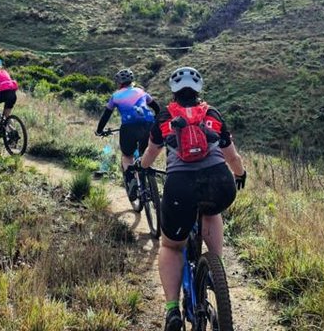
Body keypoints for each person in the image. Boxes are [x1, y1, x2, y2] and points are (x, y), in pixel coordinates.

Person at [138, 66, 246, 331]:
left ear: (174, 91)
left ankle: (172, 310)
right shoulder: (213, 114)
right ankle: (214, 269)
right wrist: (240, 174)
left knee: (172, 246)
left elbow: (150, 155)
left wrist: (141, 165)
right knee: (212, 211)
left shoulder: (164, 117)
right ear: (199, 90)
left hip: (180, 187)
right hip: (219, 183)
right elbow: (232, 157)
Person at [95, 68, 161, 199]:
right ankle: (149, 182)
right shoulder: (141, 91)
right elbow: (157, 108)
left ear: (119, 83)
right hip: (148, 125)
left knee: (127, 156)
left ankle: (131, 180)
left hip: (128, 127)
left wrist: (99, 130)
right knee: (145, 153)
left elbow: (106, 115)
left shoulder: (115, 96)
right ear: (132, 81)